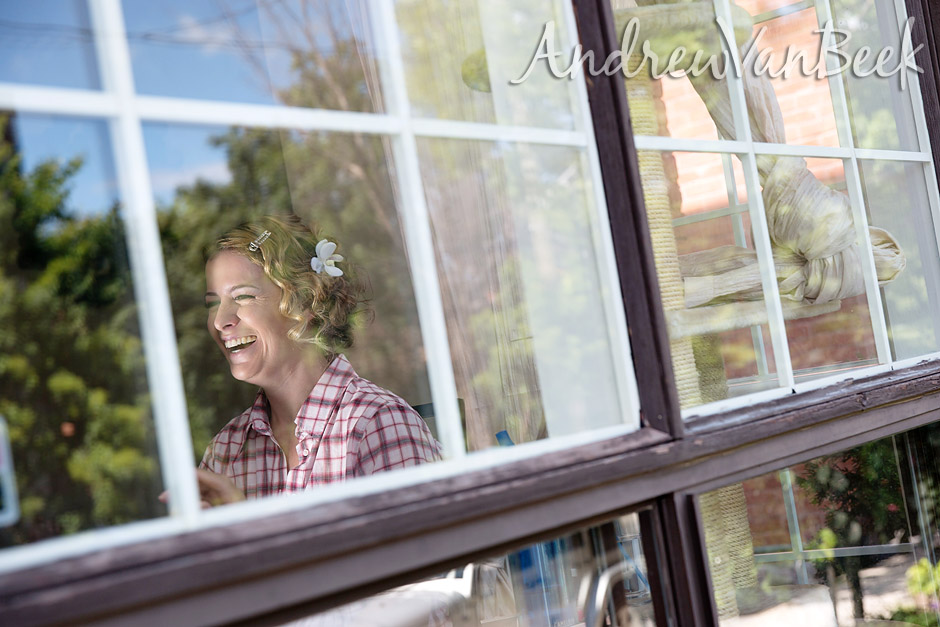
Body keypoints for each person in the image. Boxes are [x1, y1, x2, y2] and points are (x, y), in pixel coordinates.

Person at [196, 215, 442, 506]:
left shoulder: (379, 425)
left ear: (305, 301)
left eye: (244, 296)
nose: (221, 320)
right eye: (213, 303)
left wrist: (241, 528)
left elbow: (422, 551)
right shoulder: (226, 450)